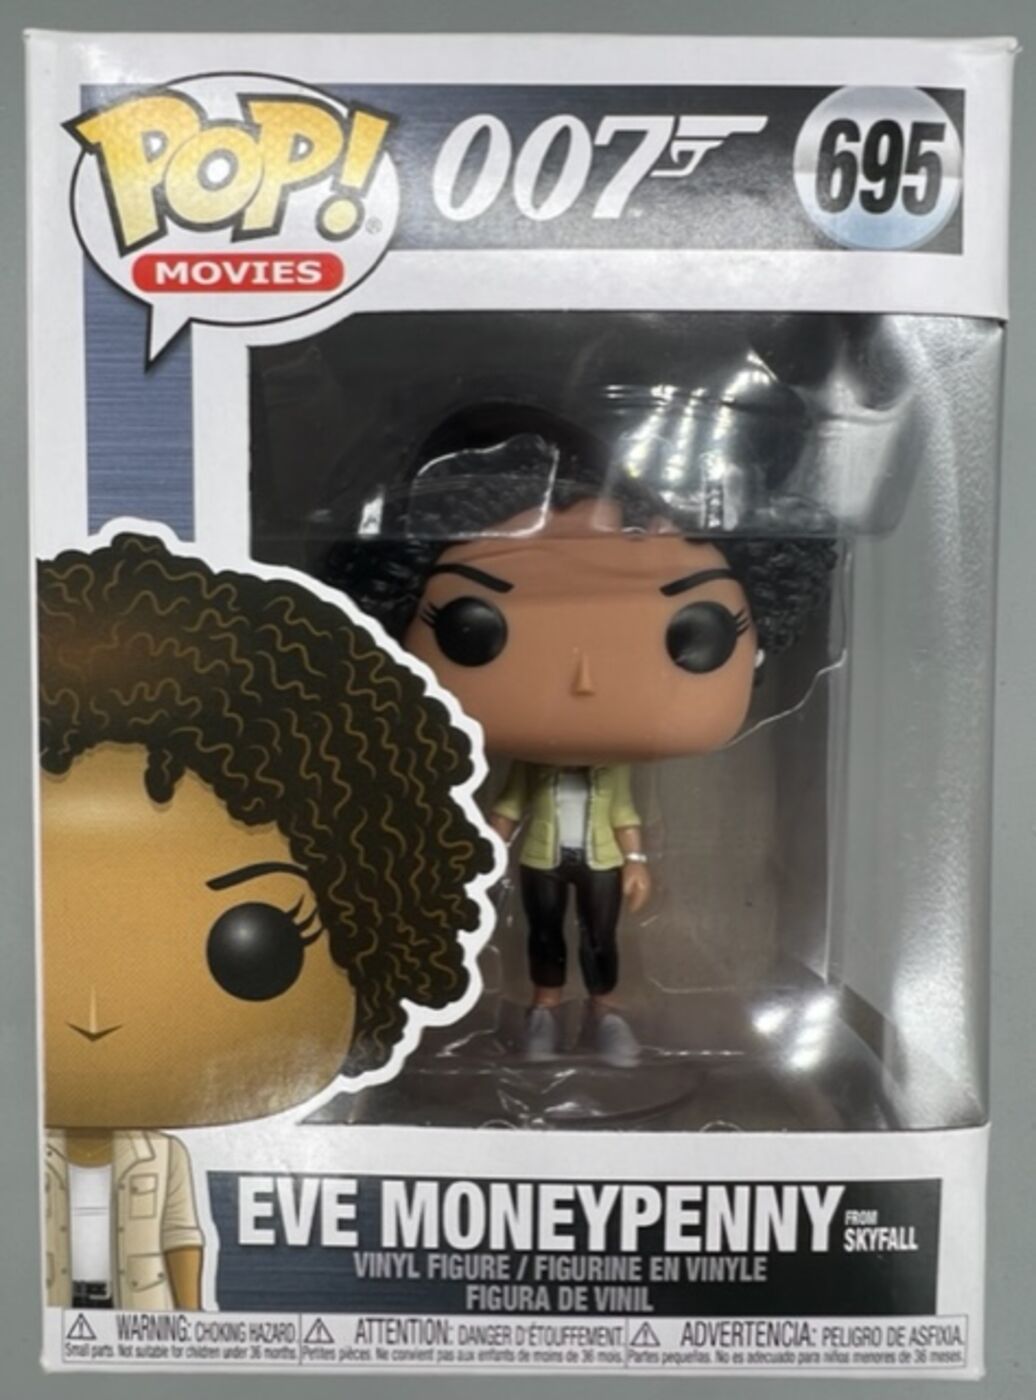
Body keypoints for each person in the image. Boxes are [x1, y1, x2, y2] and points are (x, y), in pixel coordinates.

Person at [39, 530, 494, 1307]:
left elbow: (183, 1238)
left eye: (251, 950)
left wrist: (189, 1324)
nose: (92, 1016)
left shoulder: (162, 1160)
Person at [328, 408, 836, 1066]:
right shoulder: (532, 770)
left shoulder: (611, 774)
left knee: (601, 937)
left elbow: (624, 816)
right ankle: (543, 1009)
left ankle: (605, 1010)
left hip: (598, 863)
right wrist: (484, 853)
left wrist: (637, 862)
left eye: (693, 633)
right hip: (542, 861)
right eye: (474, 629)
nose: (585, 680)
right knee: (543, 933)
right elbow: (507, 807)